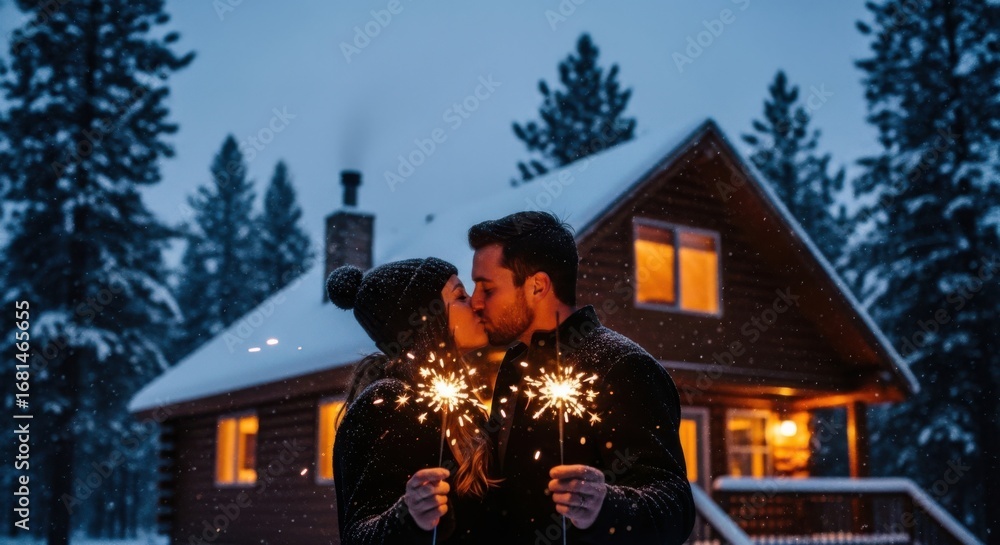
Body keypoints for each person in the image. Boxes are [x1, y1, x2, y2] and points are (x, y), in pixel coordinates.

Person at [468, 211, 695, 544]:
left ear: (537, 286)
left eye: (486, 289)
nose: (475, 302)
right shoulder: (515, 364)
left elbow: (674, 505)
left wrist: (606, 506)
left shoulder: (622, 367)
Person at [327, 257, 498, 544]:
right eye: (459, 296)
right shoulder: (387, 405)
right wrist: (408, 517)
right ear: (425, 319)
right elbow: (358, 535)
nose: (476, 304)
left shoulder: (466, 409)